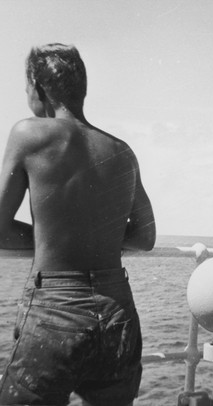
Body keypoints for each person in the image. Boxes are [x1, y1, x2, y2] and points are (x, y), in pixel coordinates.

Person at [0, 43, 156, 406]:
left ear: (39, 89)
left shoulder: (29, 133)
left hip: (56, 308)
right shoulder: (121, 150)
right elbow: (145, 237)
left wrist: (53, 241)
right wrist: (95, 238)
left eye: (26, 89)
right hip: (118, 312)